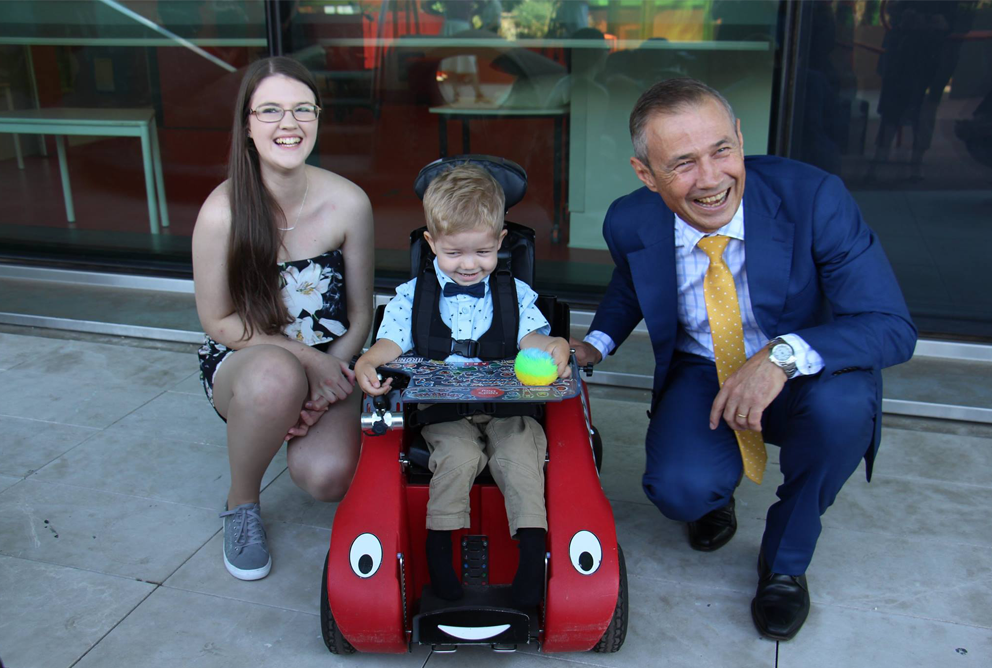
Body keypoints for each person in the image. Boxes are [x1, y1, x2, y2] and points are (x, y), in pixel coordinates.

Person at [571, 78, 917, 640]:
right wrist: (597, 343)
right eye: (682, 163)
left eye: (721, 150)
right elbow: (631, 286)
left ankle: (785, 562)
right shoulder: (629, 220)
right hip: (702, 368)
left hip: (806, 369)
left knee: (844, 409)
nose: (710, 179)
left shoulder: (814, 197)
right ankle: (714, 495)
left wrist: (780, 357)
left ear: (738, 136)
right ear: (646, 174)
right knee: (679, 490)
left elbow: (892, 327)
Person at [354, 164, 570, 607]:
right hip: (444, 409)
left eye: (483, 252)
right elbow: (392, 341)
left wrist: (554, 346)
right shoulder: (413, 295)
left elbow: (531, 338)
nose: (470, 265)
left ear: (500, 242)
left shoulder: (515, 293)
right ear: (431, 243)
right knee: (457, 457)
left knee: (519, 458)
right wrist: (371, 359)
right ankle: (440, 560)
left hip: (510, 407)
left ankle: (531, 561)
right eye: (454, 253)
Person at [192, 57, 374, 581]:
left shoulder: (349, 202)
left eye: (301, 110)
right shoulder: (222, 212)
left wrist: (328, 379)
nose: (288, 124)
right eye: (270, 110)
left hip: (334, 359)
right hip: (246, 358)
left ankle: (298, 411)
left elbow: (361, 316)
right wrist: (303, 364)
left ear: (317, 118)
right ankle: (241, 503)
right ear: (247, 126)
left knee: (326, 477)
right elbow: (218, 319)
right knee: (276, 378)